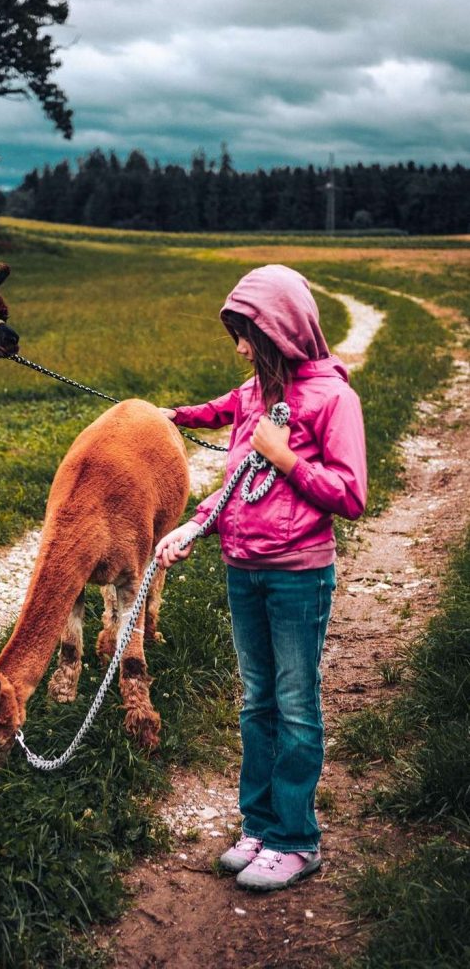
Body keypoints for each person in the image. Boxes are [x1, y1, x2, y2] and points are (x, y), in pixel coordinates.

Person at [156, 264, 367, 892]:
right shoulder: (255, 393)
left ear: (281, 330)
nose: (242, 348)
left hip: (298, 576)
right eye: (237, 338)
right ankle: (260, 826)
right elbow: (219, 415)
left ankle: (296, 839)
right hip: (242, 568)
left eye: (248, 335)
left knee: (296, 705)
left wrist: (287, 459)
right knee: (257, 704)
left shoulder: (334, 399)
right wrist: (162, 419)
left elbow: (351, 495)